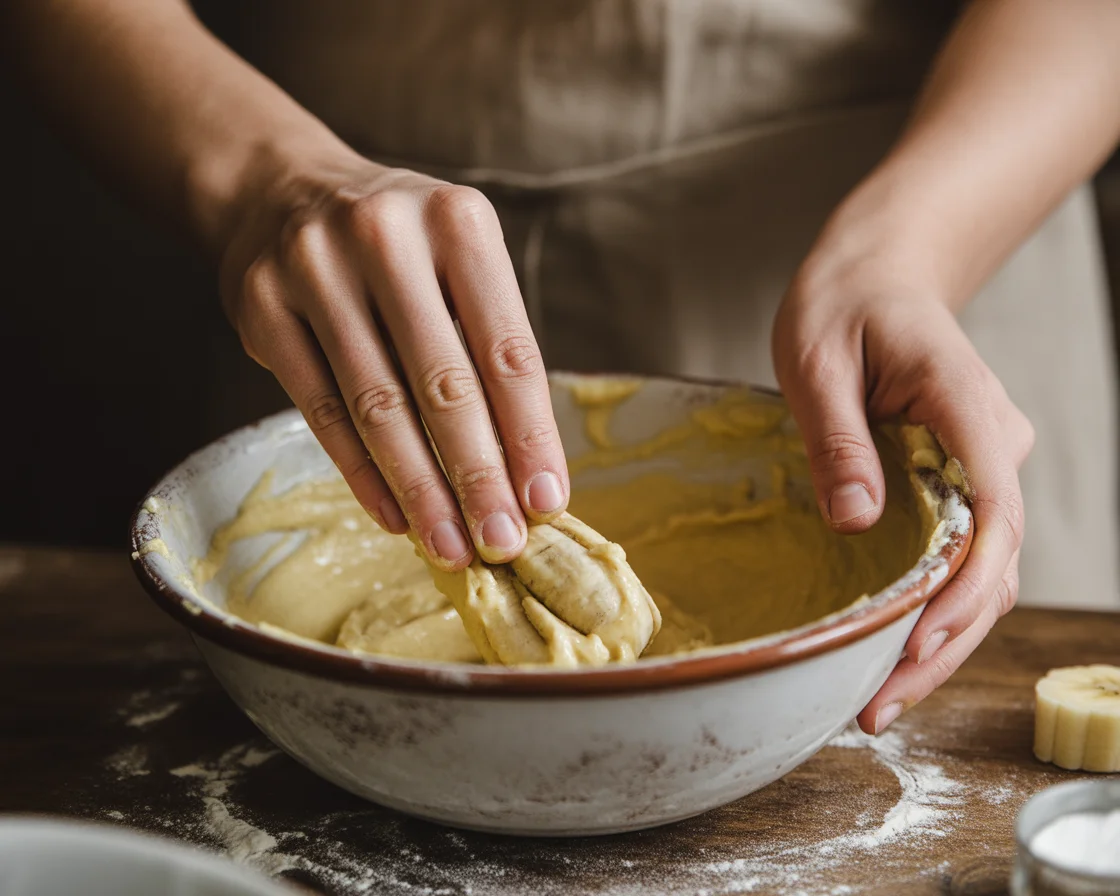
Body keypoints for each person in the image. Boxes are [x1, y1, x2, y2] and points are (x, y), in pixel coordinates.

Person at [6, 0, 1120, 737]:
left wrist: (911, 247)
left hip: (924, 217)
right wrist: (263, 175)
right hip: (348, 278)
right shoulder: (310, 235)